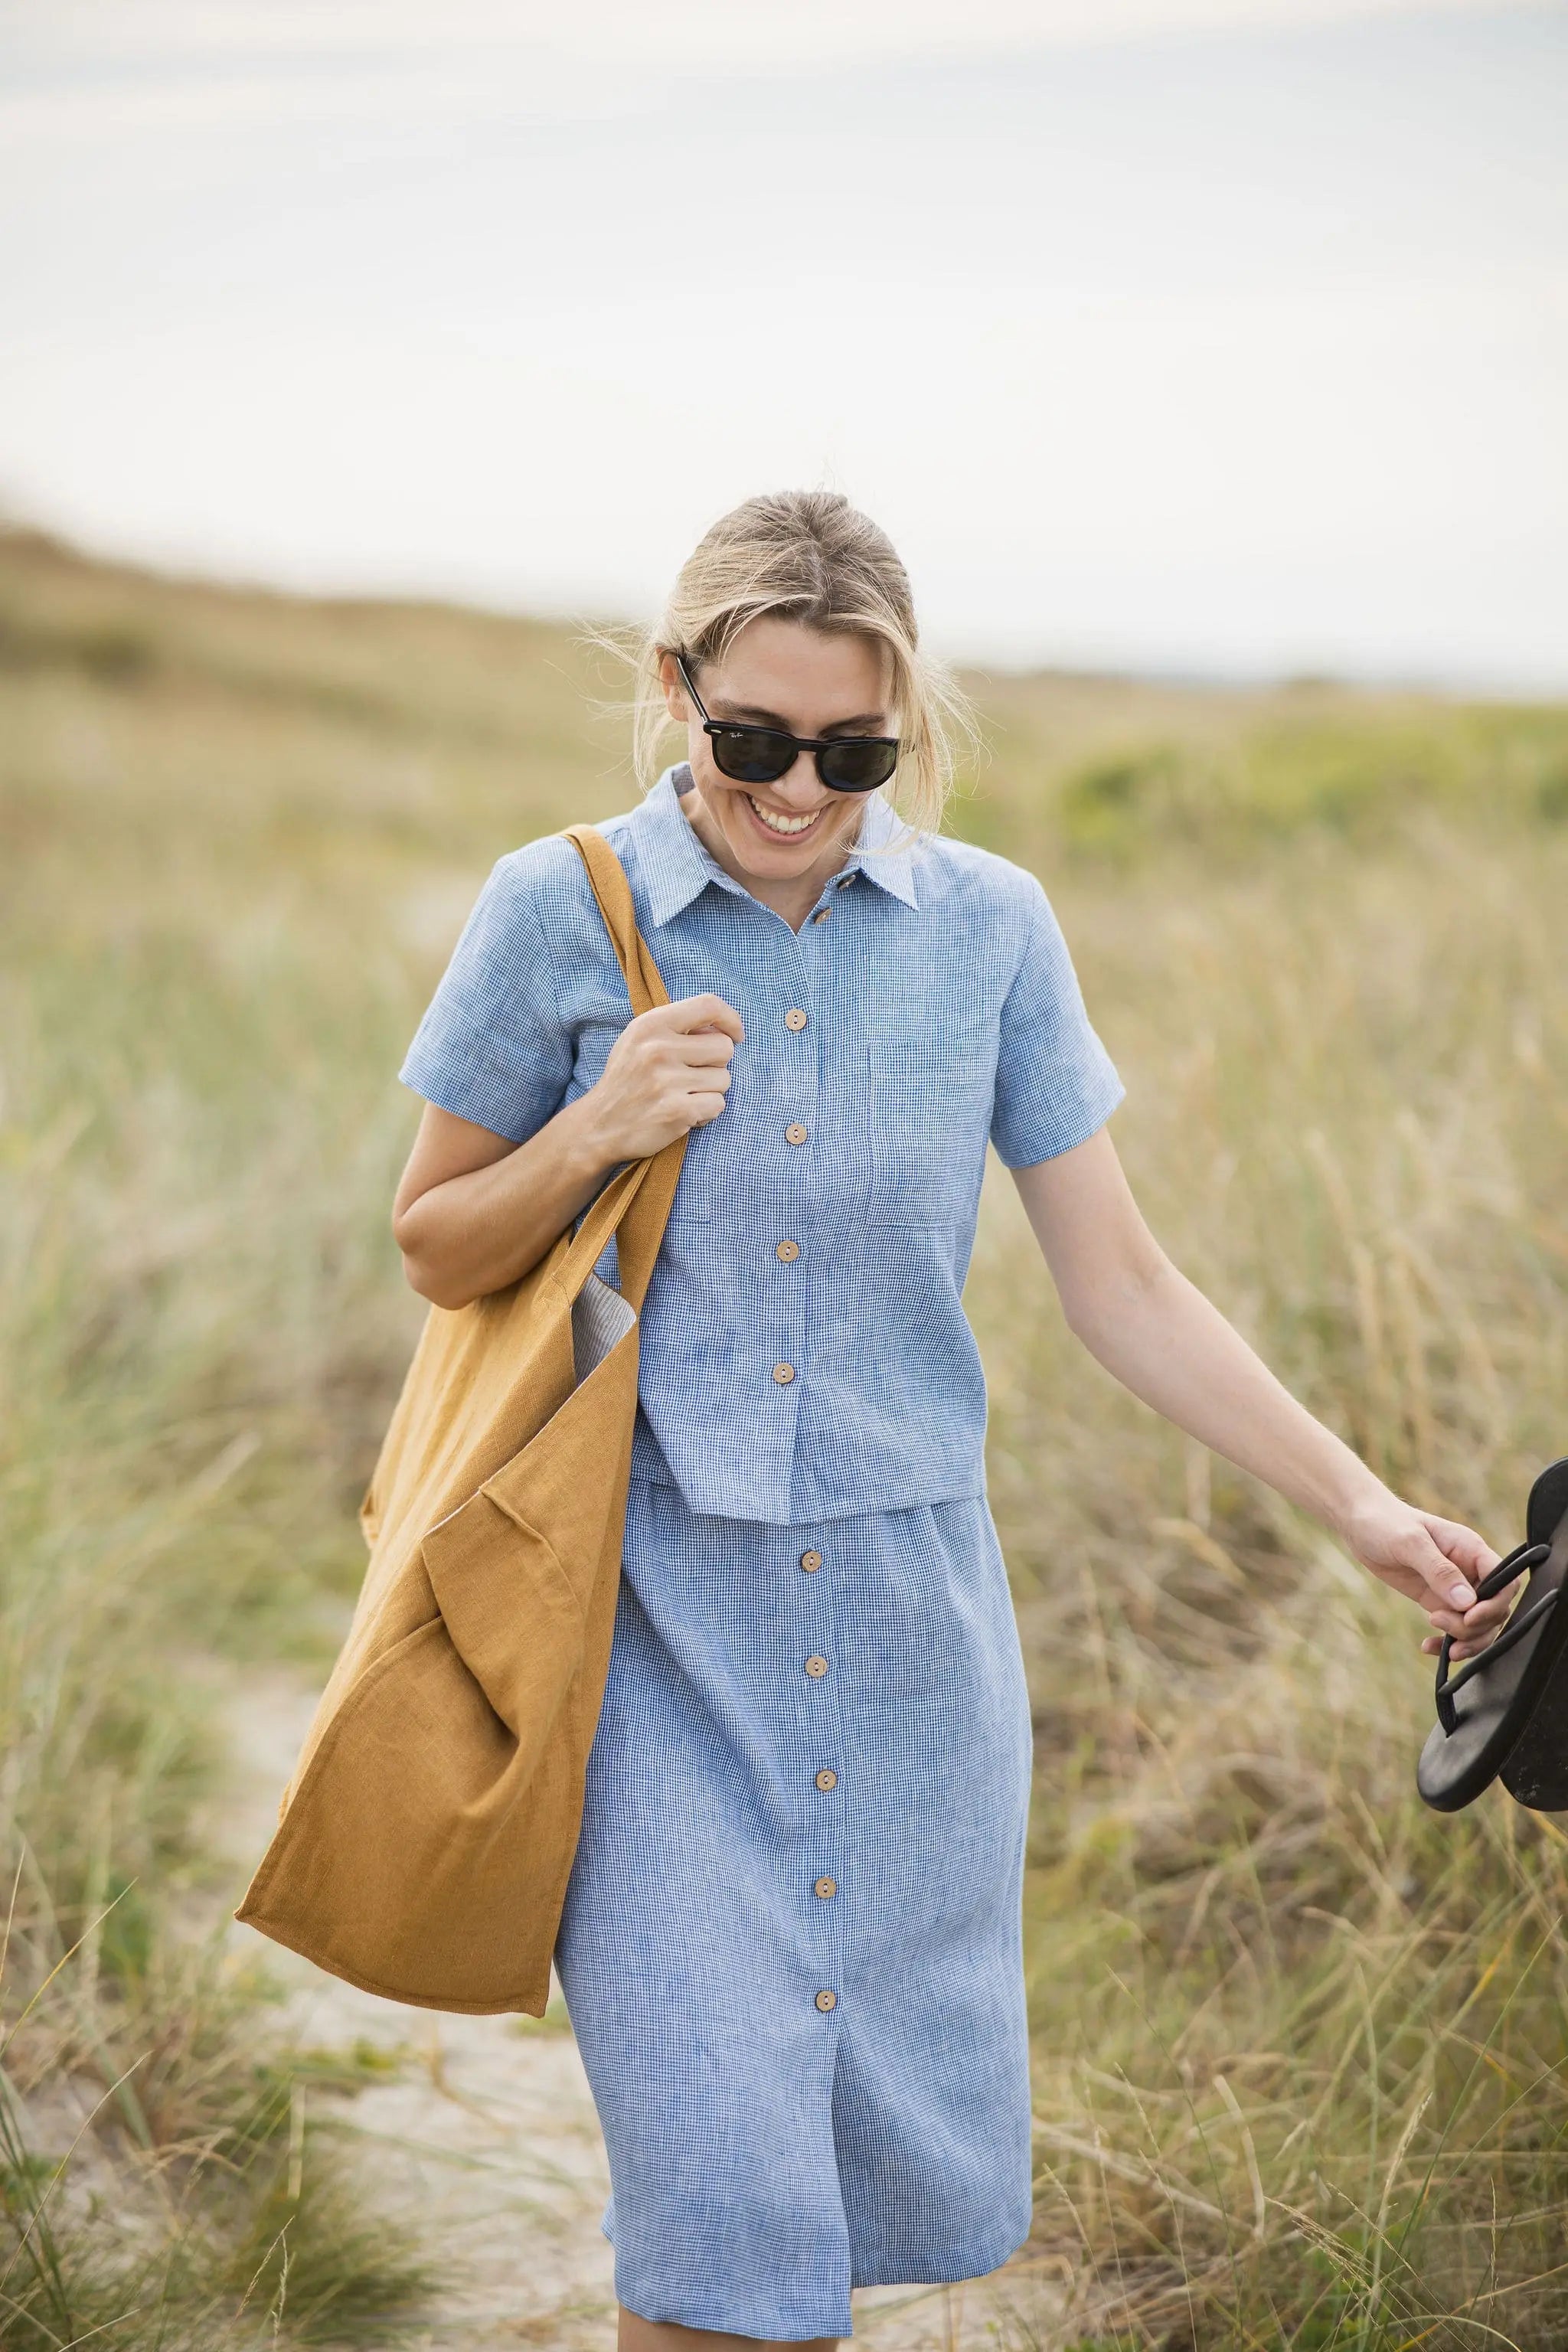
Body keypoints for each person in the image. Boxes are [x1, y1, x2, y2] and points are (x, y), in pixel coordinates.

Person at [388, 491, 1507, 2352]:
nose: (800, 791)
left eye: (852, 751)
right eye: (751, 742)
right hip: (648, 1635)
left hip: (915, 1649)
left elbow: (1123, 1286)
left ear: (901, 731)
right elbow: (433, 1244)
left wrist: (1363, 1508)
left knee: (836, 2224)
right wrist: (595, 1133)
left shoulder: (991, 931)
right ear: (676, 691)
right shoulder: (554, 909)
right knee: (723, 2204)